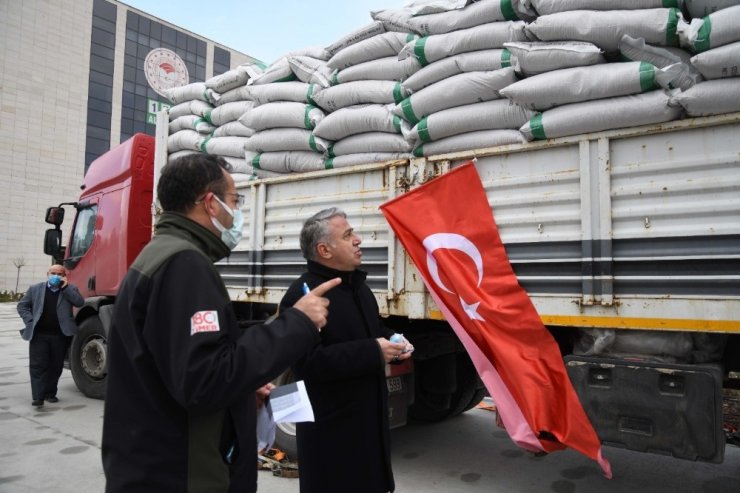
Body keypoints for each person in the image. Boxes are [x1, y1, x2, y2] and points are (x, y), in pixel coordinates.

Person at [101, 154, 340, 493]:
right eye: (235, 200)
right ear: (211, 204)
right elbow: (205, 380)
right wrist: (298, 322)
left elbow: (179, 366)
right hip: (180, 474)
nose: (238, 210)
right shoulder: (184, 264)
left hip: (152, 462)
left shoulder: (162, 254)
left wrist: (241, 392)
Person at [279, 207, 413, 493]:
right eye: (348, 235)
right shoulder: (303, 295)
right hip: (331, 434)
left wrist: (394, 339)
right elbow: (308, 363)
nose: (358, 240)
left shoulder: (358, 288)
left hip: (368, 425)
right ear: (324, 249)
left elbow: (372, 329)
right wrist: (373, 351)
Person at [17, 264, 84, 407]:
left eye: (59, 273)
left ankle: (50, 393)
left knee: (56, 366)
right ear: (48, 273)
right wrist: (30, 320)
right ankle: (38, 397)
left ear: (64, 276)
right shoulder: (35, 289)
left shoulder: (70, 289)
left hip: (60, 336)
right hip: (39, 335)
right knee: (37, 366)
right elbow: (22, 305)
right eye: (53, 273)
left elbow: (79, 302)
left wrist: (65, 288)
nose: (56, 276)